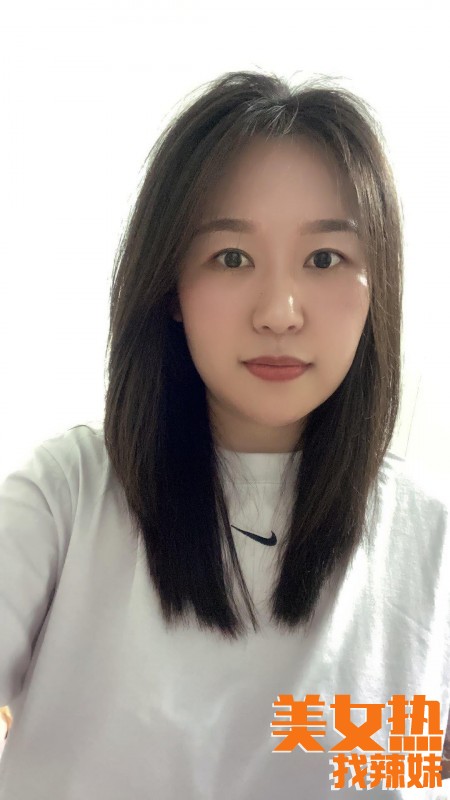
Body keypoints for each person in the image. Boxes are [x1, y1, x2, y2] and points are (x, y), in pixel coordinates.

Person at [0, 70, 449, 798]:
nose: (279, 311)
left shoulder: (430, 538)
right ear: (171, 288)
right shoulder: (67, 498)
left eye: (325, 258)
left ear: (379, 287)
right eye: (231, 257)